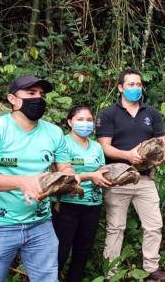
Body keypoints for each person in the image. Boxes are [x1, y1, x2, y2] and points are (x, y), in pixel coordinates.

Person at [0, 75, 77, 281]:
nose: (38, 99)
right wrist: (22, 181)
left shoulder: (54, 133)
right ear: (12, 99)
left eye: (42, 95)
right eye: (31, 93)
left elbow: (66, 168)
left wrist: (68, 179)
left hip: (40, 225)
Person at [96, 68, 165, 281]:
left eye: (139, 85)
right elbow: (104, 147)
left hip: (146, 178)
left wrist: (158, 158)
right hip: (117, 178)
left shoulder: (152, 114)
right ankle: (111, 272)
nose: (135, 88)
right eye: (131, 85)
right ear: (120, 87)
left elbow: (163, 144)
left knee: (154, 225)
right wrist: (127, 155)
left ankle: (151, 268)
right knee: (115, 227)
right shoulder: (108, 114)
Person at [51, 106, 112, 282]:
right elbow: (59, 175)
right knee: (60, 251)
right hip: (67, 205)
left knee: (82, 251)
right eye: (80, 119)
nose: (85, 124)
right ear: (70, 122)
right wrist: (90, 176)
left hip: (92, 204)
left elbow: (102, 170)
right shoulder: (62, 143)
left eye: (89, 120)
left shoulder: (96, 147)